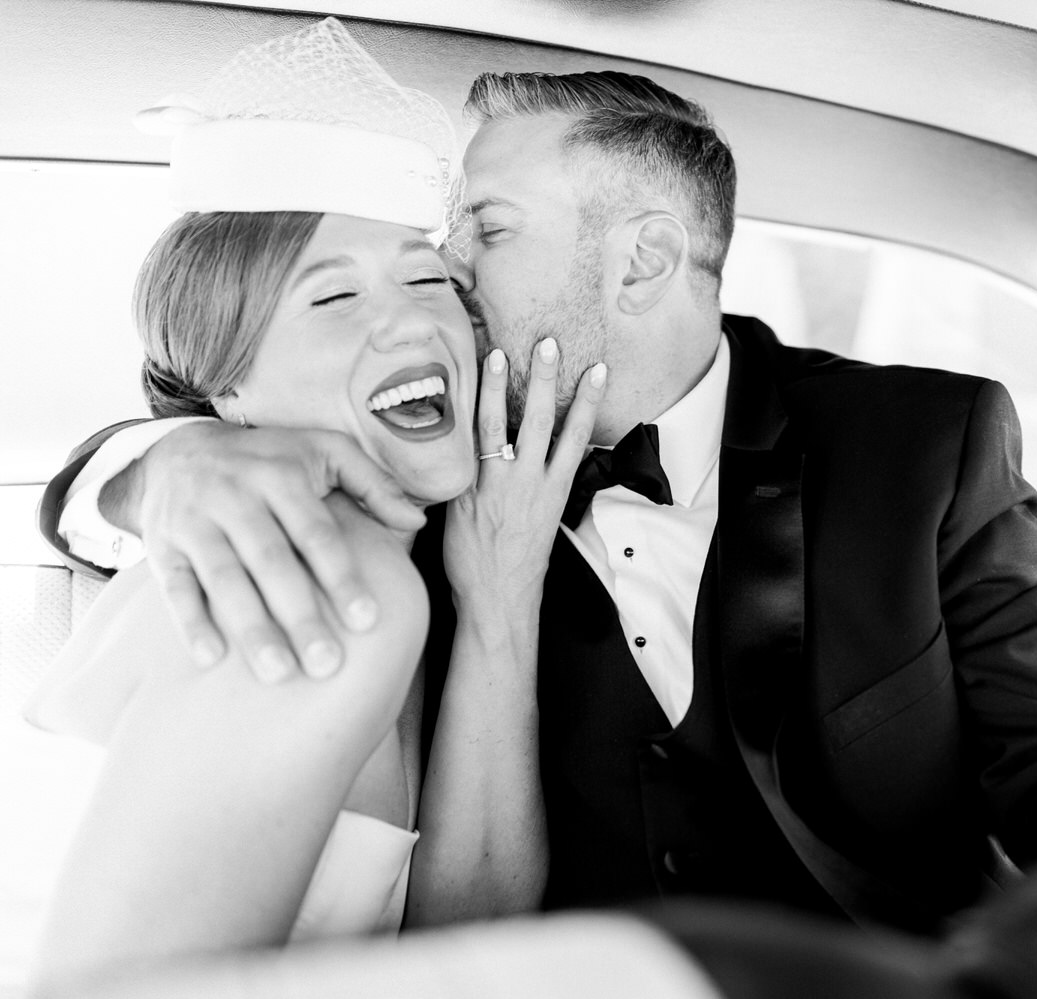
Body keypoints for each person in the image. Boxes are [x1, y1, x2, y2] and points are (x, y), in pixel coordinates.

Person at [42, 65, 1037, 934]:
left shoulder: (915, 444)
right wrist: (153, 464)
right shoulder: (427, 466)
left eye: (478, 233)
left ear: (643, 262)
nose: (444, 275)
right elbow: (227, 437)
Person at [24, 20, 605, 992]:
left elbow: (469, 937)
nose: (413, 318)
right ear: (224, 392)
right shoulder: (307, 569)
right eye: (331, 302)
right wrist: (152, 465)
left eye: (428, 281)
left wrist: (504, 588)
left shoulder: (409, 577)